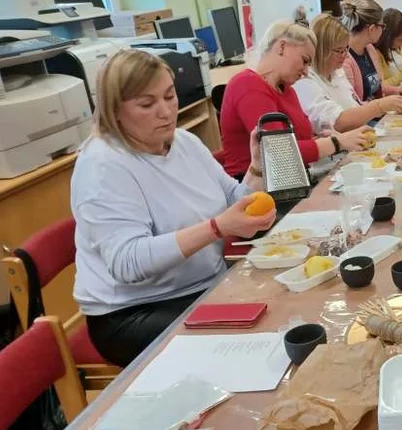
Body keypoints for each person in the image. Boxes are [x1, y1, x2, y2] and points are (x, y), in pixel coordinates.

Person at [72, 50, 278, 366]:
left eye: (169, 96)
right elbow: (127, 262)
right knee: (249, 349)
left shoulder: (184, 142)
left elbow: (232, 199)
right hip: (135, 312)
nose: (166, 111)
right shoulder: (103, 166)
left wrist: (258, 170)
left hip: (205, 285)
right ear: (114, 112)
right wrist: (216, 228)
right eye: (147, 104)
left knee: (282, 306)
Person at [219, 21, 373, 178]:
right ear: (282, 47)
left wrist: (322, 138)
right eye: (305, 61)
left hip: (292, 179)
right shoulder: (248, 85)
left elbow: (299, 140)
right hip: (256, 189)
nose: (306, 71)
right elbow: (280, 153)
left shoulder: (287, 90)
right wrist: (336, 142)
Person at [295, 15, 402, 134]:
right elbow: (336, 122)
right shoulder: (305, 81)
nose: (345, 56)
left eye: (346, 49)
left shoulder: (337, 72)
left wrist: (389, 107)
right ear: (322, 50)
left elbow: (355, 106)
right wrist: (379, 106)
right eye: (340, 51)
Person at [341, 0, 402, 101]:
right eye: (382, 26)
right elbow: (353, 105)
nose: (383, 30)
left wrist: (399, 91)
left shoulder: (369, 49)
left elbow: (379, 87)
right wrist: (382, 106)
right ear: (372, 29)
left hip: (378, 114)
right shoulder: (344, 59)